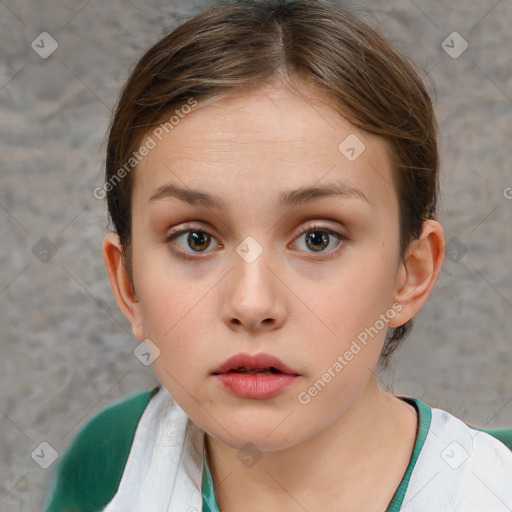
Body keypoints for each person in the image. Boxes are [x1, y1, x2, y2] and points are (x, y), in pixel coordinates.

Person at [44, 1, 512, 510]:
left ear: (410, 273)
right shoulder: (110, 459)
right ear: (128, 283)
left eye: (318, 239)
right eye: (195, 239)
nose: (251, 303)